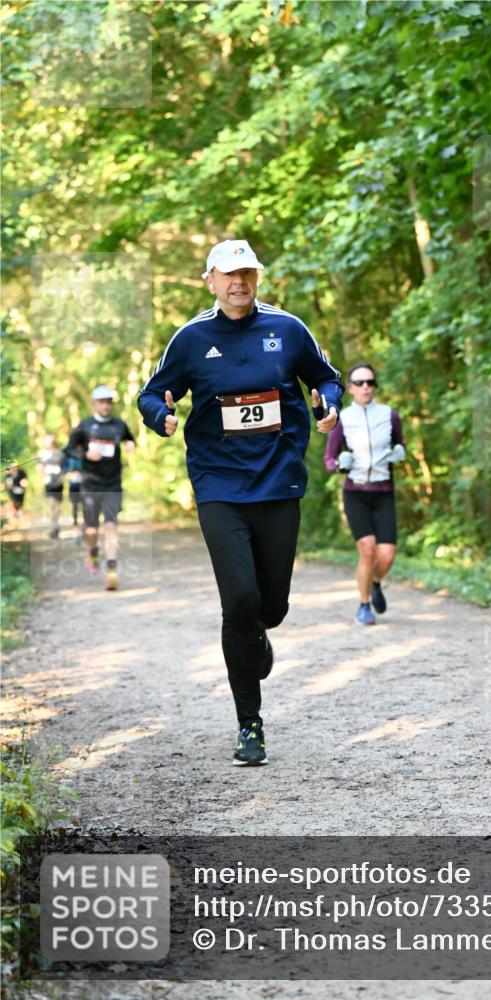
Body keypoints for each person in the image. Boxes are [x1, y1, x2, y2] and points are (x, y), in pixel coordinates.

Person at [138, 239, 343, 767]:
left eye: (247, 274)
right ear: (210, 280)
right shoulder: (190, 339)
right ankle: (249, 725)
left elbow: (325, 376)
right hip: (219, 487)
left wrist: (330, 401)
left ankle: (259, 635)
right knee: (238, 601)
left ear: (257, 279)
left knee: (270, 608)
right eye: (229, 275)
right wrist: (158, 416)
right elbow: (151, 392)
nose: (239, 283)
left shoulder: (288, 329)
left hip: (278, 484)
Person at [324, 362, 406, 626]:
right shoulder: (343, 419)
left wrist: (400, 452)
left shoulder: (389, 414)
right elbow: (329, 459)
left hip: (384, 491)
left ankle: (376, 582)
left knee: (387, 555)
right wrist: (339, 465)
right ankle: (363, 605)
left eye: (370, 382)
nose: (365, 387)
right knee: (368, 551)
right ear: (350, 388)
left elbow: (400, 443)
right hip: (355, 492)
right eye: (359, 383)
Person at [65, 386, 136, 590]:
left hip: (113, 483)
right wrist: (85, 455)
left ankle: (112, 571)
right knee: (92, 529)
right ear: (95, 404)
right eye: (101, 401)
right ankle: (92, 551)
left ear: (111, 404)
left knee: (111, 526)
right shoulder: (85, 426)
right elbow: (69, 448)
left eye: (108, 401)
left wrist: (131, 445)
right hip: (90, 483)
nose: (105, 405)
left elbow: (129, 438)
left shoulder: (119, 426)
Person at [38, 434, 66, 538]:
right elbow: (39, 466)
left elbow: (65, 467)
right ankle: (53, 526)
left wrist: (63, 476)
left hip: (58, 483)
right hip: (48, 482)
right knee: (51, 504)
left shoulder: (60, 454)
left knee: (57, 505)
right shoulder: (42, 454)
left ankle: (56, 525)